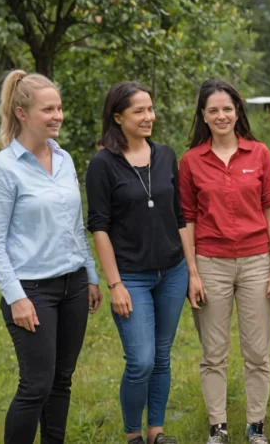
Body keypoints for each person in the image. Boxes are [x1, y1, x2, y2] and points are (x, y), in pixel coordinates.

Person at [0, 70, 102, 444]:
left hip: (74, 286)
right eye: (48, 109)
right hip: (32, 291)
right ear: (21, 112)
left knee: (62, 380)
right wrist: (16, 298)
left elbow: (73, 224)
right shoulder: (1, 170)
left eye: (59, 108)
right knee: (36, 385)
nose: (58, 116)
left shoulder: (63, 160)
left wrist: (91, 274)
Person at [86, 81, 197, 444]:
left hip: (173, 272)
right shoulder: (103, 164)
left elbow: (179, 216)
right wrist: (114, 283)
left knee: (162, 358)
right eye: (139, 111)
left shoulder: (165, 154)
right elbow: (99, 228)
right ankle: (133, 433)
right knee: (141, 361)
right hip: (131, 276)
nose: (149, 117)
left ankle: (156, 432)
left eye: (150, 109)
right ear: (118, 117)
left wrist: (192, 272)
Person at [179, 80, 270, 444]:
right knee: (214, 353)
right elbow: (187, 218)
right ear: (204, 117)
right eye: (213, 110)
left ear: (237, 112)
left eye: (227, 109)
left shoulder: (259, 153)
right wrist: (192, 272)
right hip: (210, 263)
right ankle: (217, 428)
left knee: (257, 351)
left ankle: (256, 427)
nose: (221, 115)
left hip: (257, 262)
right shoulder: (191, 160)